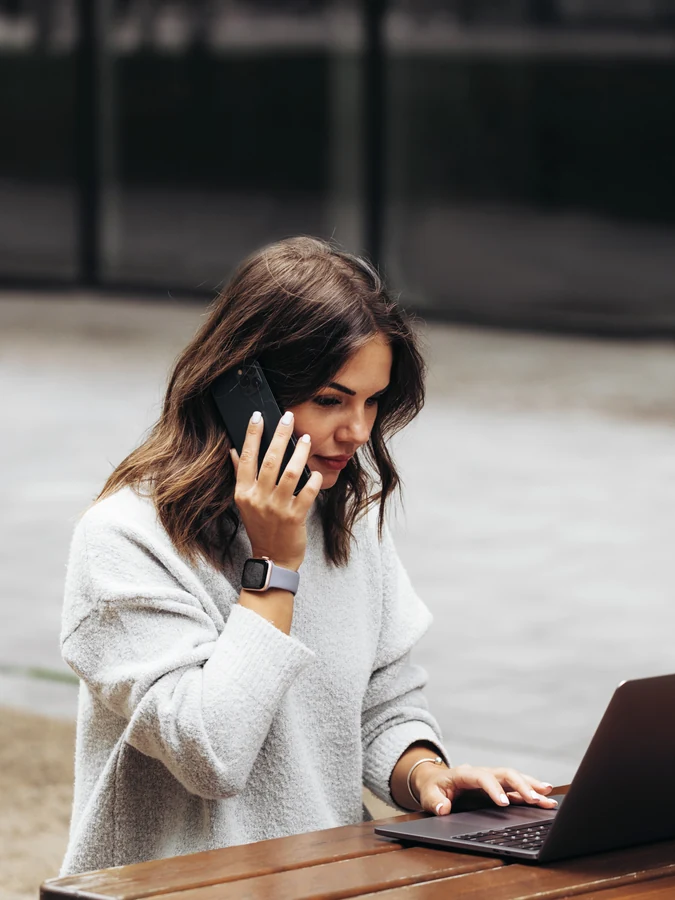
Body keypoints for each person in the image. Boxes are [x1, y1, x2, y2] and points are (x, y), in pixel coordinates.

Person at [59, 236, 556, 875]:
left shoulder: (346, 519)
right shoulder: (123, 540)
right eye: (330, 399)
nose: (358, 431)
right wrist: (272, 568)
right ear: (241, 389)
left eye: (372, 400)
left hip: (325, 885)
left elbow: (382, 702)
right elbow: (211, 753)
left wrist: (426, 774)